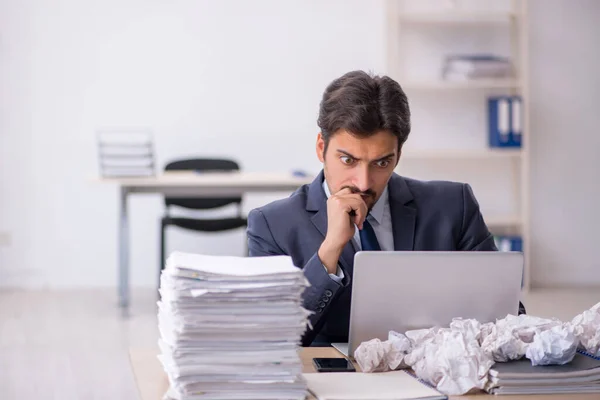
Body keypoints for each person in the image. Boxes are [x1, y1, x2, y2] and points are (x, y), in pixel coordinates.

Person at [247, 70, 524, 347]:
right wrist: (329, 250)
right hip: (339, 385)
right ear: (321, 148)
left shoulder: (454, 206)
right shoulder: (271, 226)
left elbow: (507, 315)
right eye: (348, 160)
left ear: (398, 155)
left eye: (381, 163)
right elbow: (274, 339)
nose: (364, 183)